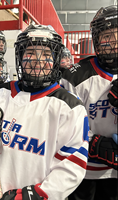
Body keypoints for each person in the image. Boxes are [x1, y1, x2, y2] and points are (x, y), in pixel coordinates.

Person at [0, 24, 89, 200]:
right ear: (20, 57)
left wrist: (39, 195)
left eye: (47, 55)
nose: (38, 60)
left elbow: (72, 165)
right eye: (30, 53)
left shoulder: (70, 107)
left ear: (56, 60)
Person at [60, 5, 118, 200]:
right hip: (83, 168)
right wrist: (93, 143)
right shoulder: (75, 76)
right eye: (107, 36)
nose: (114, 41)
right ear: (97, 40)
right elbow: (65, 122)